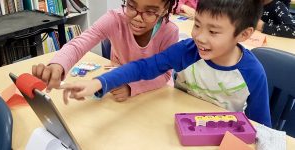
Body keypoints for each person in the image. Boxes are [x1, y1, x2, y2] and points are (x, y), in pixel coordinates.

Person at [60, 0, 272, 127]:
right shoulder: (186, 51)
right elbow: (143, 67)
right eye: (197, 25)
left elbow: (262, 128)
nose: (199, 37)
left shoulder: (252, 73)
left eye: (213, 31)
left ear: (243, 34)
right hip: (173, 125)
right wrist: (99, 83)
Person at [32, 0, 180, 101]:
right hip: (118, 85)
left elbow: (165, 75)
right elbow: (80, 43)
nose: (137, 18)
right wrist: (58, 65)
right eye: (131, 6)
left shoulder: (169, 32)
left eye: (149, 12)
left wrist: (132, 87)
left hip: (155, 93)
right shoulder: (115, 19)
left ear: (164, 10)